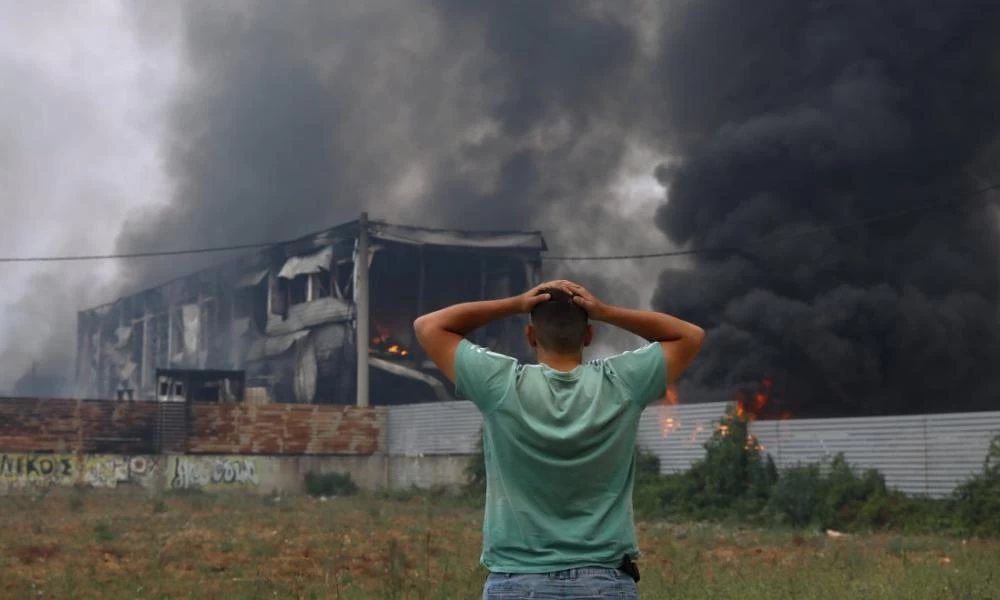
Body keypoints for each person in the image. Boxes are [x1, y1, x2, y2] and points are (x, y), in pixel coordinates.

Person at [413, 280, 705, 599]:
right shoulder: (623, 383)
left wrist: (516, 303)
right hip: (604, 582)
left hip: (517, 581)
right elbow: (689, 335)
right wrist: (604, 311)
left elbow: (429, 326)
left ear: (530, 336)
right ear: (589, 336)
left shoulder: (500, 384)